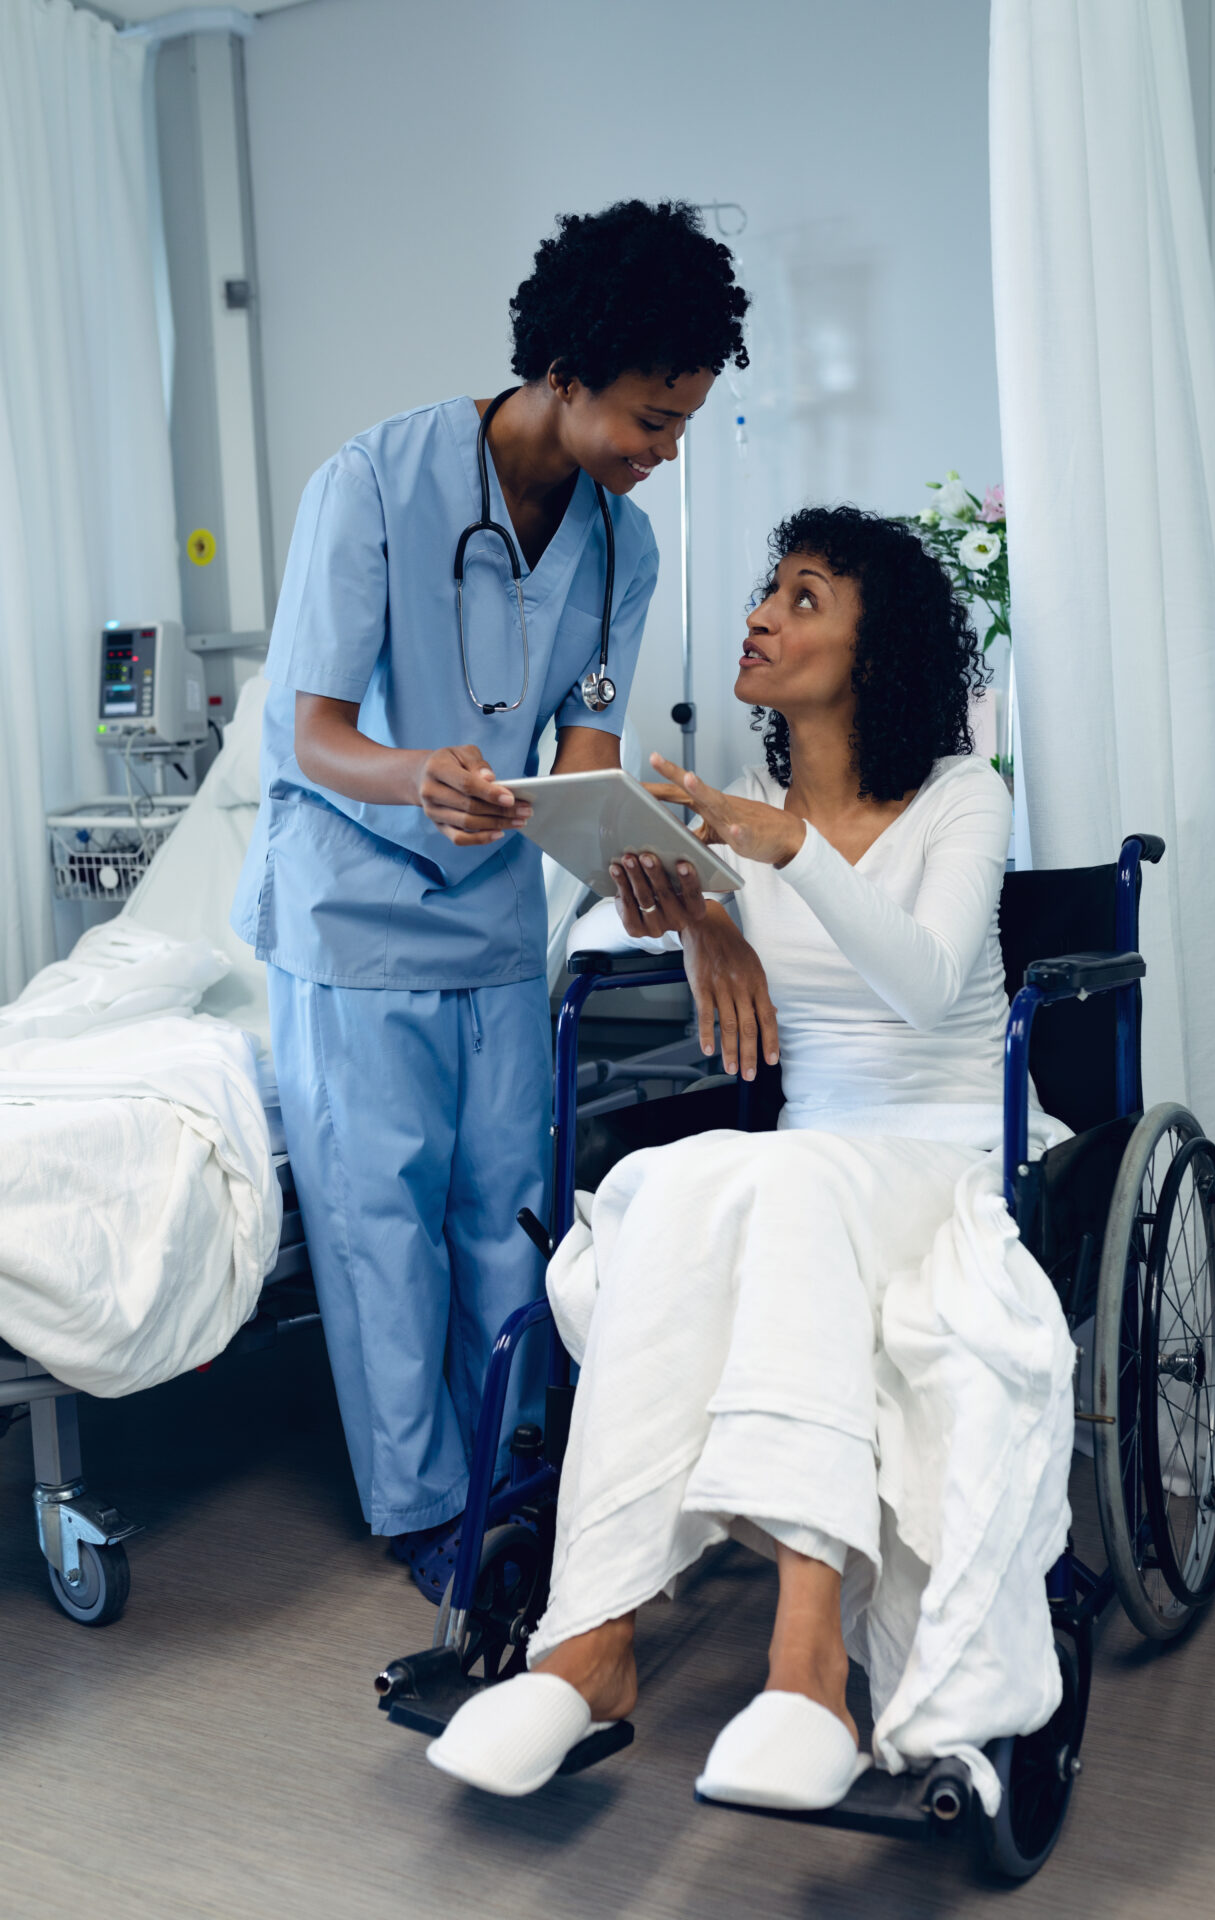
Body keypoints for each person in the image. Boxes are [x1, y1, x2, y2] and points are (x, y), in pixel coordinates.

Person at [425, 506, 1075, 1810]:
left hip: (948, 1156)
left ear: (875, 650)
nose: (760, 614)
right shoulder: (740, 819)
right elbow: (603, 943)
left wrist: (783, 852)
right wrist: (679, 913)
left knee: (783, 1175)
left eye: (806, 596)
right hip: (815, 1166)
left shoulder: (963, 798)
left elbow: (928, 986)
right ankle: (589, 1641)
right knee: (666, 1181)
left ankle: (807, 1665)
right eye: (764, 590)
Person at [231, 202, 749, 1597]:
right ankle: (422, 1516)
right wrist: (421, 778)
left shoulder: (622, 553)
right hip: (350, 904)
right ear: (569, 374)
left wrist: (625, 856)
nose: (665, 451)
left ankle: (512, 1487)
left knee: (509, 1204)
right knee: (381, 1218)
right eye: (651, 418)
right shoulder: (370, 484)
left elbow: (581, 756)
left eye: (686, 422)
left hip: (486, 918)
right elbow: (310, 733)